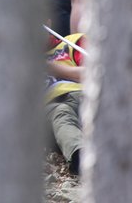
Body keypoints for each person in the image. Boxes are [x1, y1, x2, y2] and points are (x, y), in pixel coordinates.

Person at [44, 33, 86, 175]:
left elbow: (95, 72)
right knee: (61, 113)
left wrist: (54, 68)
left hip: (83, 95)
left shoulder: (72, 42)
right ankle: (82, 159)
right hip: (51, 106)